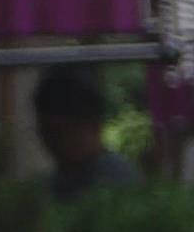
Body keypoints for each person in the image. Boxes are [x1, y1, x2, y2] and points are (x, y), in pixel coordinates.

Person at [34, 71, 137, 203]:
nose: (54, 143)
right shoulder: (57, 181)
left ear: (93, 125)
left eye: (60, 132)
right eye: (47, 132)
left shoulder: (116, 178)